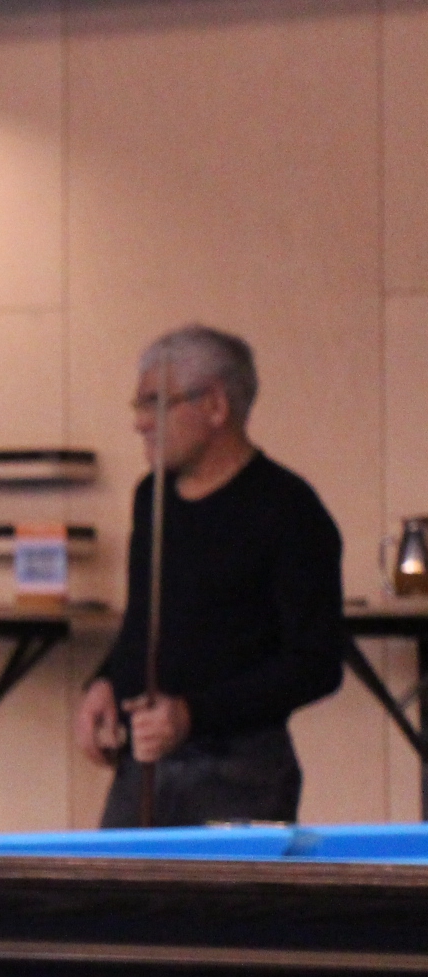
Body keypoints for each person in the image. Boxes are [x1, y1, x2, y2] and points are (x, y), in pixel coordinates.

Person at [74, 325, 344, 826]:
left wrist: (192, 714)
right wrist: (106, 681)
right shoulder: (150, 497)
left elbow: (317, 662)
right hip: (145, 764)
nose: (139, 423)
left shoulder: (288, 509)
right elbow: (146, 621)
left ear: (216, 406)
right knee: (114, 880)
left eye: (156, 404)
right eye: (138, 405)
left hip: (239, 773)